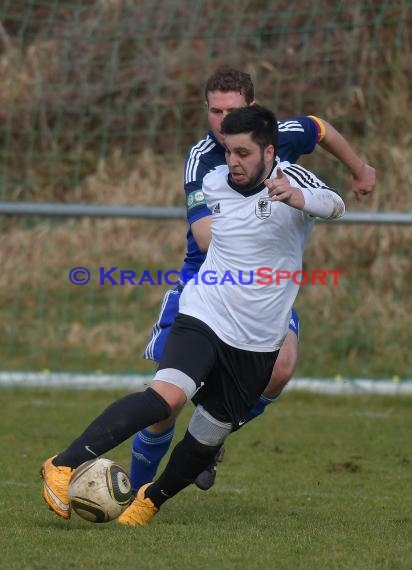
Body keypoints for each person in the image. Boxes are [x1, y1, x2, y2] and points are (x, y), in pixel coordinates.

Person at [41, 104, 345, 526]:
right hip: (205, 314)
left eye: (243, 153)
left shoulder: (292, 178)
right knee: (166, 396)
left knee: (208, 435)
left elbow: (336, 205)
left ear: (269, 152)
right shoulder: (214, 181)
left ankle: (151, 501)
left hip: (258, 339)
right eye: (229, 151)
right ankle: (62, 464)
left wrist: (300, 198)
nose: (233, 162)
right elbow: (204, 229)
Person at [129, 65, 375, 493]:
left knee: (280, 367)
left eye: (233, 111)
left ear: (253, 111)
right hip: (206, 281)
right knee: (165, 402)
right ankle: (132, 492)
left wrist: (359, 168)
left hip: (263, 285)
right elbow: (205, 238)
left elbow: (319, 129)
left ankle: (210, 438)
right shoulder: (202, 160)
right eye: (214, 111)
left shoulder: (278, 134)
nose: (223, 123)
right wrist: (259, 218)